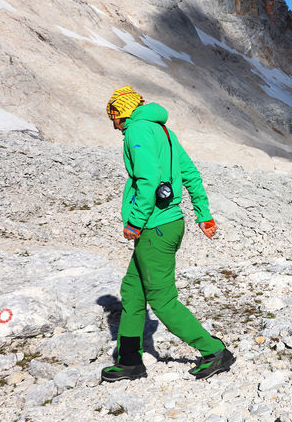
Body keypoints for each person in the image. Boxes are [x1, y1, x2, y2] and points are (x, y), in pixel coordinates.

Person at [101, 86, 235, 382]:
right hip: (170, 224)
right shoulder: (164, 132)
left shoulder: (137, 132)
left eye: (111, 114)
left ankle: (213, 351)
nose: (112, 123)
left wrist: (134, 222)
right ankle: (130, 360)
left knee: (162, 299)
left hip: (154, 226)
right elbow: (190, 174)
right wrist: (204, 214)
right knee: (132, 292)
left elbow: (148, 180)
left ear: (120, 111)